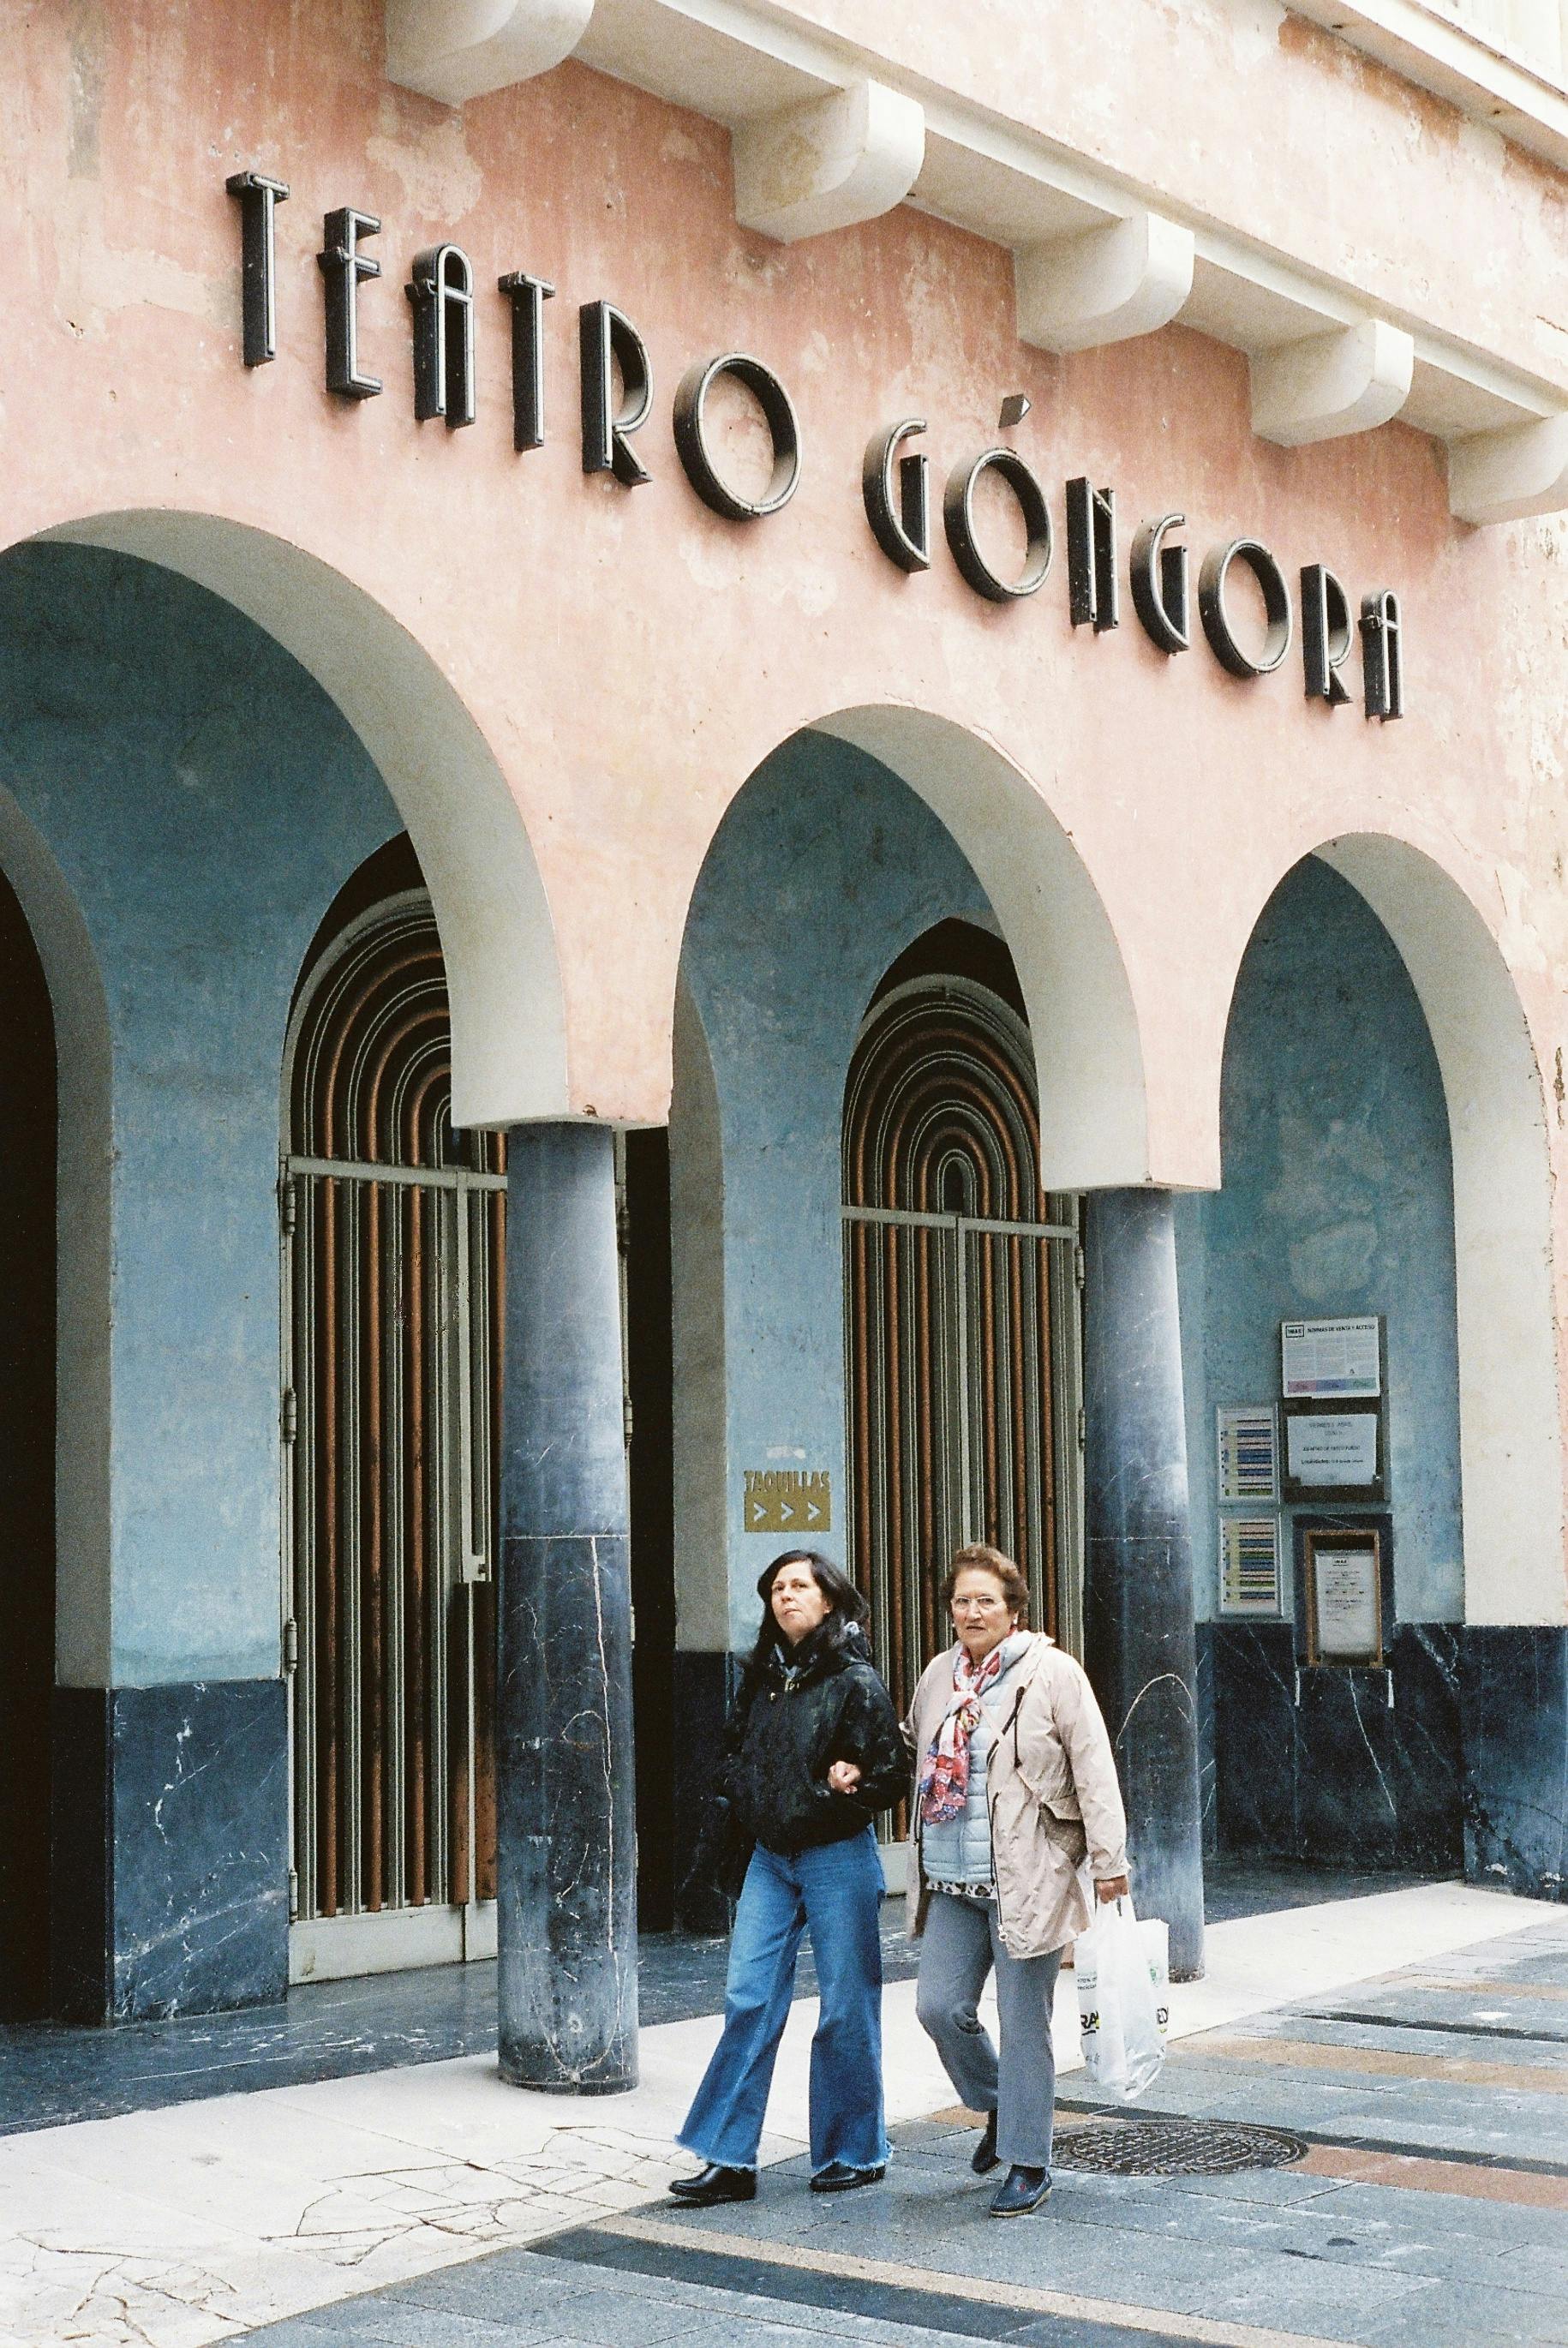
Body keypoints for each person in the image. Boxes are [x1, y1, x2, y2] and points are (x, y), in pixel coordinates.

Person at [670, 1548, 909, 2206]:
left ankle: (854, 2150)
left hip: (835, 1853)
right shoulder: (762, 1677)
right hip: (770, 1858)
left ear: (829, 1599)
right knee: (749, 1997)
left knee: (845, 2003)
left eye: (799, 1585)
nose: (786, 1596)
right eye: (776, 1587)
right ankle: (728, 2157)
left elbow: (893, 1775)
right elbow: (732, 1754)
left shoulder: (857, 1682)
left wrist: (852, 1784)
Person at [907, 1542, 1129, 2219]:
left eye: (986, 1601)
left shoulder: (1053, 1674)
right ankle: (1002, 2106)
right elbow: (911, 1747)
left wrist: (1110, 1863)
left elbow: (1093, 1767)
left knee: (1025, 2022)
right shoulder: (939, 1674)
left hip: (1028, 1876)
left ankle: (1029, 2161)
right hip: (951, 1878)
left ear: (1013, 1610)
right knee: (938, 2008)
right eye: (961, 1602)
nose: (972, 1612)